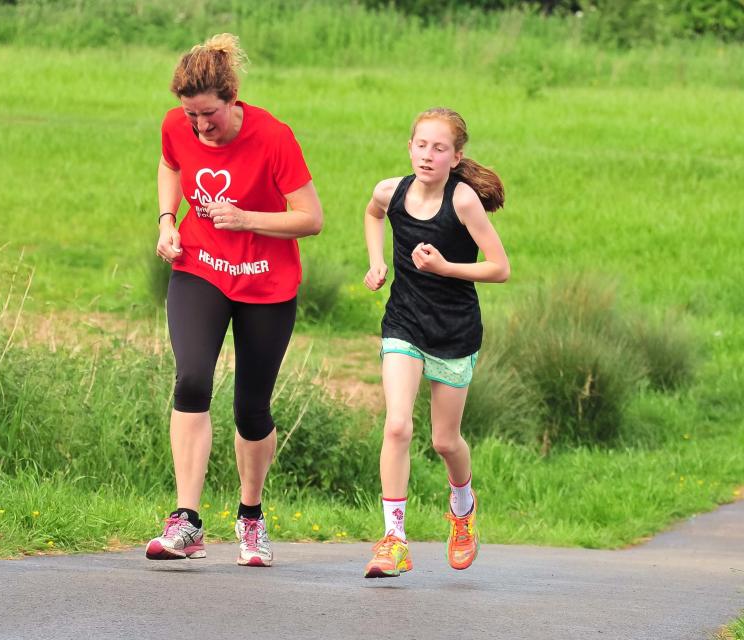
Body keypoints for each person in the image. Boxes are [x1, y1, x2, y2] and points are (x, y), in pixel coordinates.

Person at [146, 33, 323, 567]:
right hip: (200, 266)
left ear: (231, 98)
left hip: (267, 282)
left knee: (251, 408)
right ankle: (187, 520)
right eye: (192, 115)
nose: (201, 126)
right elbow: (171, 164)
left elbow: (310, 219)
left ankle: (250, 517)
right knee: (192, 378)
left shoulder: (273, 138)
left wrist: (248, 219)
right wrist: (167, 220)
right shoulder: (177, 126)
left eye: (210, 115)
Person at [362, 107, 510, 578]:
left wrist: (445, 267)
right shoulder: (391, 190)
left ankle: (463, 508)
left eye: (439, 148)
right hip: (403, 322)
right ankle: (394, 540)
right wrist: (377, 261)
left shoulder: (463, 201)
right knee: (397, 426)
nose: (428, 155)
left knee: (445, 441)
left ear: (455, 156)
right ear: (409, 147)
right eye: (421, 145)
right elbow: (372, 214)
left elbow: (499, 268)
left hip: (454, 329)